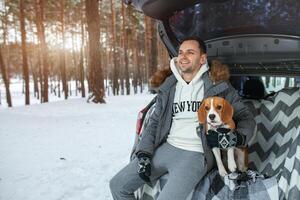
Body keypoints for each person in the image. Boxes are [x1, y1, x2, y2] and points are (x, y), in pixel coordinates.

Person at [109, 36, 255, 200]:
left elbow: (246, 117)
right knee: (117, 185)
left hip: (196, 154)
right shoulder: (169, 87)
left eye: (190, 52)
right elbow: (154, 123)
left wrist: (236, 137)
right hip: (166, 148)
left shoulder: (219, 86)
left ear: (202, 58)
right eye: (180, 52)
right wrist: (143, 153)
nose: (183, 57)